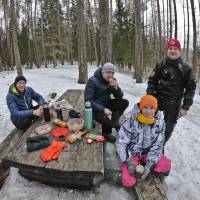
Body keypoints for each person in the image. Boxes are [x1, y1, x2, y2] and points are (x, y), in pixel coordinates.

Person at [147, 39, 196, 144]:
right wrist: (150, 97)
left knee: (168, 128)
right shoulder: (160, 64)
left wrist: (185, 107)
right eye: (170, 49)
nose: (173, 51)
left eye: (175, 49)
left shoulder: (186, 68)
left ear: (179, 51)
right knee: (149, 122)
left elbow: (191, 88)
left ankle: (159, 147)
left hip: (174, 103)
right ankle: (147, 144)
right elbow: (152, 81)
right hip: (158, 99)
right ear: (167, 50)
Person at [116, 95, 171, 187]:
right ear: (141, 108)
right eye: (145, 107)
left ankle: (149, 170)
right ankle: (119, 177)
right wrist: (129, 162)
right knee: (128, 181)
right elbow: (121, 142)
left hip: (147, 154)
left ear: (156, 109)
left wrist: (149, 165)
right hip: (133, 154)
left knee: (165, 165)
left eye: (152, 108)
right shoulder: (131, 121)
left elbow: (158, 145)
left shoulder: (160, 123)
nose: (148, 111)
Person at [84, 63, 129, 143]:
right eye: (108, 72)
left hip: (106, 103)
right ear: (102, 72)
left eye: (112, 73)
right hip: (94, 109)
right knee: (107, 122)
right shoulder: (92, 81)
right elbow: (88, 101)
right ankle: (106, 133)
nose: (110, 75)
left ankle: (114, 120)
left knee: (125, 102)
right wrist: (103, 109)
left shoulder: (111, 81)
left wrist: (116, 88)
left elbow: (119, 97)